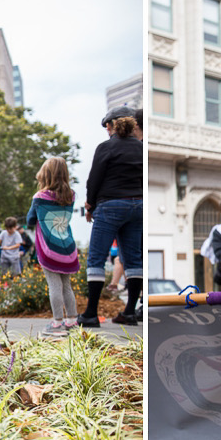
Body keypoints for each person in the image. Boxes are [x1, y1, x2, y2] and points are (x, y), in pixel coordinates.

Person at [81, 113, 141, 325]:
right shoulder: (141, 147)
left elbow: (94, 179)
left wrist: (90, 205)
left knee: (96, 259)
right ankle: (130, 312)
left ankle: (90, 314)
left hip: (111, 205)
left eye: (106, 126)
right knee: (134, 261)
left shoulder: (106, 147)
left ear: (111, 126)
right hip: (138, 205)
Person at [25, 155, 80, 335]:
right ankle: (72, 320)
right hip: (67, 246)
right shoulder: (71, 196)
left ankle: (57, 323)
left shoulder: (40, 197)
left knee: (54, 285)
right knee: (67, 285)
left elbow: (30, 220)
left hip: (48, 248)